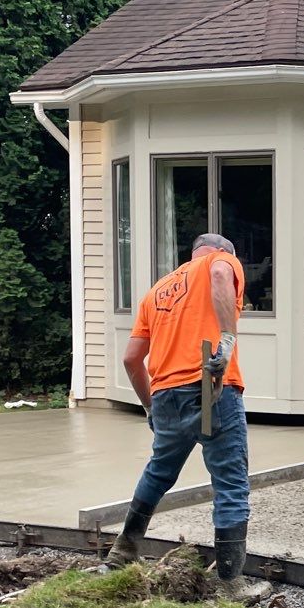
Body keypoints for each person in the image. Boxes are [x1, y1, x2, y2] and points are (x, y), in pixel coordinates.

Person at [104, 233, 251, 587]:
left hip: (166, 394)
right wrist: (227, 340)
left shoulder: (156, 292)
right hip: (209, 388)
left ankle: (123, 552)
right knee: (231, 484)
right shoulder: (222, 262)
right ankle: (231, 584)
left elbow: (131, 359)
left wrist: (150, 408)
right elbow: (218, 275)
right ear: (222, 252)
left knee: (158, 473)